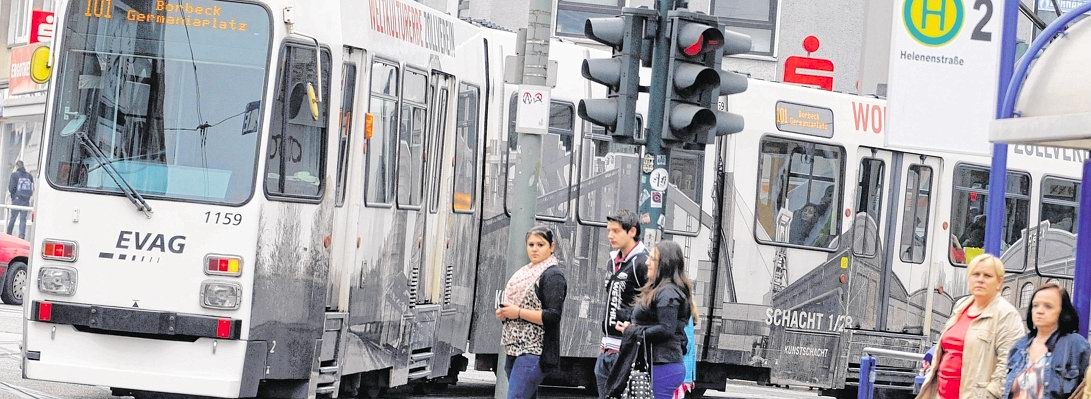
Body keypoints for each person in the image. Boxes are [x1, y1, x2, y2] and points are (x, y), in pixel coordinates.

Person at [916, 254, 1025, 399]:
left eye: (987, 275)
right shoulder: (962, 306)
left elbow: (1011, 366)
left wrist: (988, 395)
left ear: (999, 282)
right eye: (975, 274)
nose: (980, 279)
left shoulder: (1007, 315)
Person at [607, 240, 693, 399]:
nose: (647, 262)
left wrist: (632, 330)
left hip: (661, 364)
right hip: (659, 363)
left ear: (665, 264)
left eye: (652, 259)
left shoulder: (668, 292)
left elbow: (666, 328)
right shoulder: (663, 290)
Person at [495, 226, 568, 399]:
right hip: (514, 348)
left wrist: (518, 312)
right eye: (531, 244)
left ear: (552, 247)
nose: (534, 249)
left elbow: (553, 315)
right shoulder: (525, 272)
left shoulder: (553, 276)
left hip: (534, 351)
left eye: (540, 244)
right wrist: (505, 313)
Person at [595, 209, 649, 399]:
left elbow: (654, 305)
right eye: (608, 230)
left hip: (627, 350)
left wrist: (633, 325)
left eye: (616, 231)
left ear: (632, 232)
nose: (610, 235)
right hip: (606, 347)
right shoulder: (613, 260)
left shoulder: (644, 262)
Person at [1002, 283, 1089, 399]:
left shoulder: (1076, 345)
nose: (1039, 311)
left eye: (1048, 306)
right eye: (1035, 305)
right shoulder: (1019, 346)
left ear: (1062, 311)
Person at [7, 160, 32, 239]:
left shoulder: (14, 175)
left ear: (17, 166)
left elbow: (11, 188)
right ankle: (22, 235)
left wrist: (14, 197)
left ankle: (8, 233)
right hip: (26, 200)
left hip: (16, 200)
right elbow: (32, 188)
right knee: (23, 219)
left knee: (13, 217)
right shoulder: (29, 176)